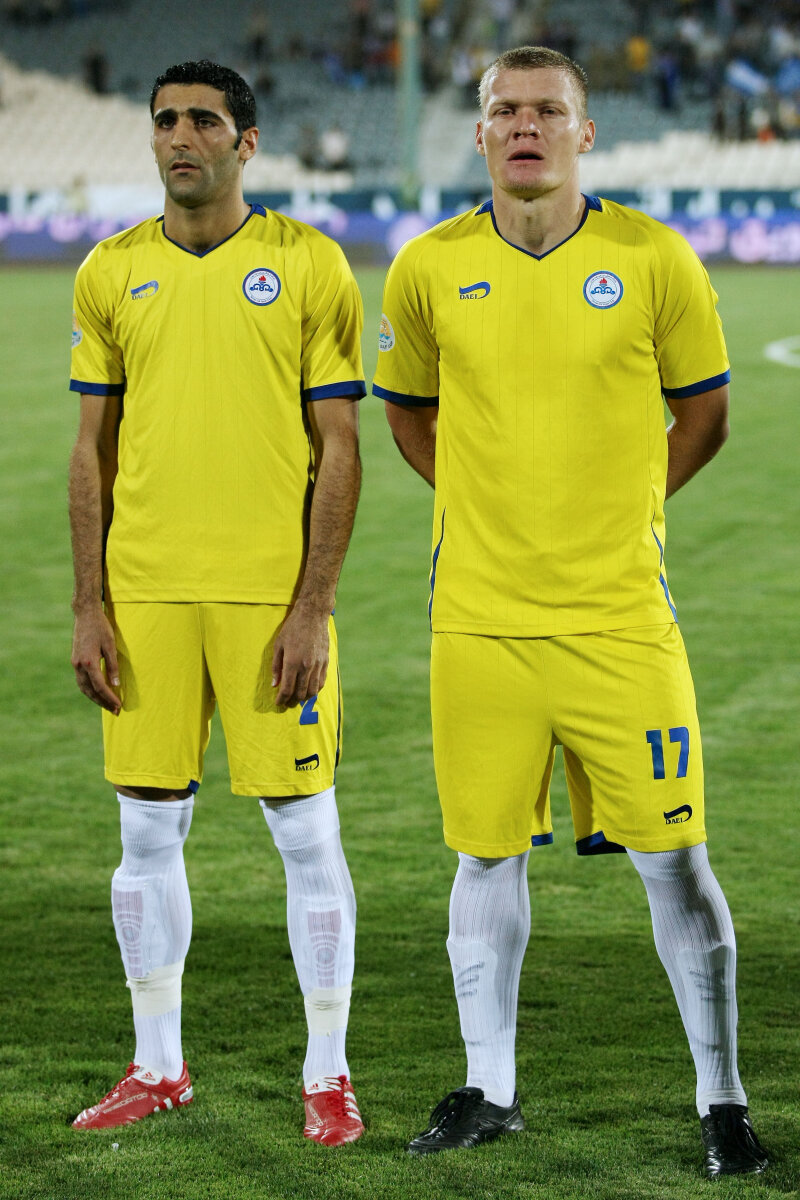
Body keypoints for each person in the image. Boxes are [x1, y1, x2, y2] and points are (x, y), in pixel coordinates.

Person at [373, 45, 769, 1178]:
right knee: (484, 856)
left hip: (618, 619)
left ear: (584, 133)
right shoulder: (427, 267)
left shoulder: (652, 256)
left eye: (548, 110)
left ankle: (722, 1103)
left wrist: (621, 511)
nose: (525, 126)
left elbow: (704, 414)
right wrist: (485, 508)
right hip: (480, 623)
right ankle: (489, 1088)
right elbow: (407, 413)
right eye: (505, 109)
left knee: (674, 857)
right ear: (480, 132)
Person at [68, 60, 366, 1146]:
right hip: (145, 596)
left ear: (247, 142)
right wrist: (90, 603)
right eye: (165, 121)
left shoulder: (307, 262)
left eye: (203, 121)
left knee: (304, 832)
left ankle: (326, 1075)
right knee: (144, 833)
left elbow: (341, 447)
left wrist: (312, 605)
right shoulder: (110, 271)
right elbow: (91, 452)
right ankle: (157, 1066)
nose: (180, 137)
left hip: (265, 597)